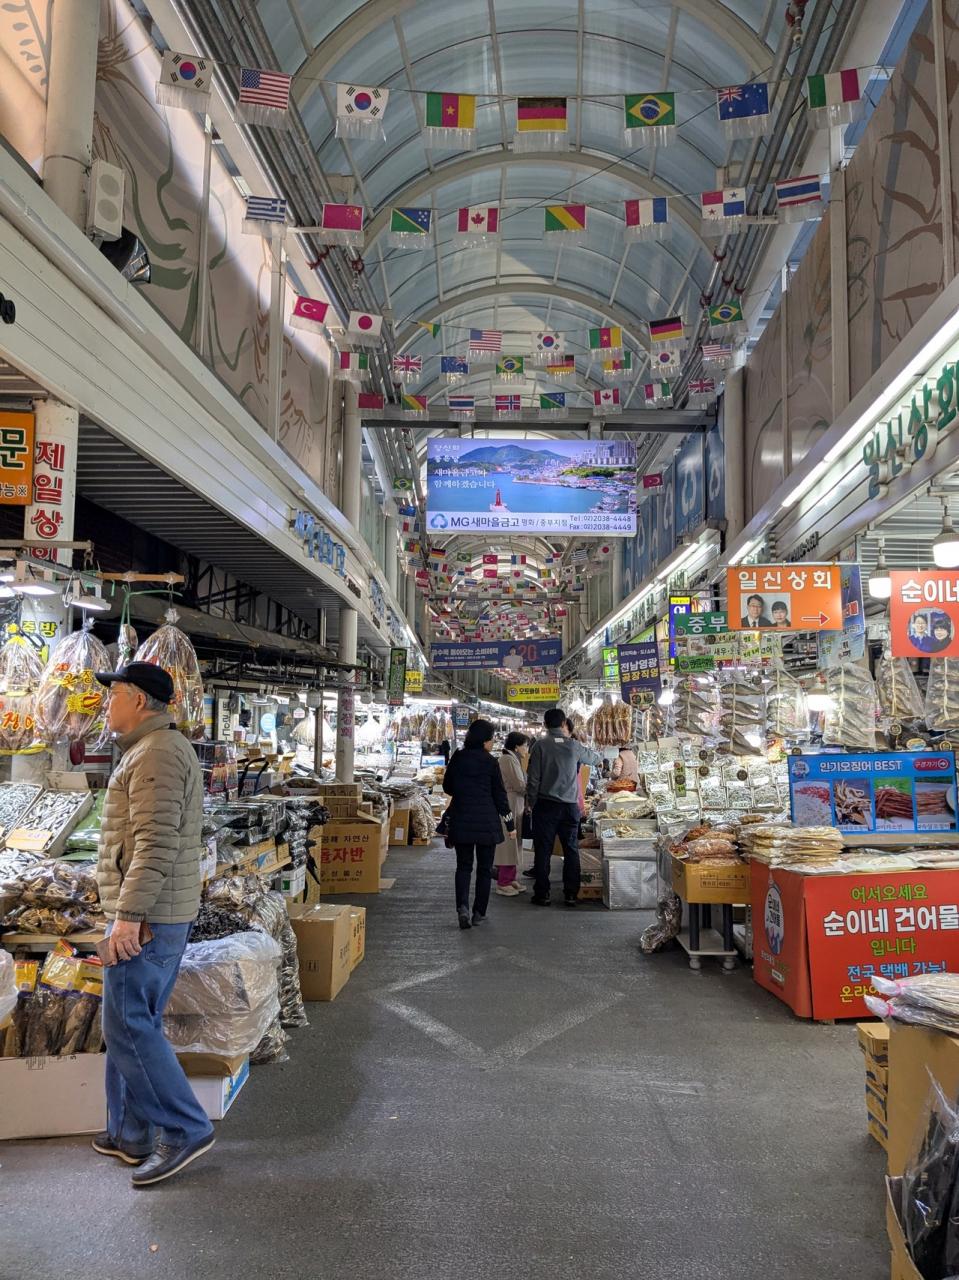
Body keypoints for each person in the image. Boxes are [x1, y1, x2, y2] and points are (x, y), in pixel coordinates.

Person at [93, 662, 214, 1187]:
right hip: (154, 912)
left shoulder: (157, 753)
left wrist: (127, 916)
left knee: (127, 1025)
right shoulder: (147, 749)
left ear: (139, 700)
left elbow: (155, 844)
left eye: (114, 694)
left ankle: (185, 1129)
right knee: (131, 1020)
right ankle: (130, 1132)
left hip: (149, 917)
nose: (107, 704)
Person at [526, 708, 602, 907]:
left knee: (543, 850)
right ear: (563, 724)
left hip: (545, 806)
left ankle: (542, 894)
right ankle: (571, 894)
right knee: (571, 849)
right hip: (569, 807)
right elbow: (595, 759)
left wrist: (531, 802)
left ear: (545, 725)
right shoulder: (574, 745)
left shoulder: (539, 746)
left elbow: (533, 779)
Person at [442, 719, 513, 929]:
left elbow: (447, 787)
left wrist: (463, 791)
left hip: (461, 819)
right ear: (484, 740)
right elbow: (500, 795)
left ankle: (462, 908)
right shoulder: (490, 762)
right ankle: (479, 912)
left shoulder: (458, 757)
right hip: (486, 823)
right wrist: (510, 824)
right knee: (484, 869)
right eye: (491, 739)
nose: (492, 743)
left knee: (463, 867)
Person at [493, 732, 529, 896]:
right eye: (525, 745)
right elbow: (519, 785)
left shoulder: (512, 758)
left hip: (516, 803)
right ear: (516, 746)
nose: (526, 749)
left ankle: (511, 877)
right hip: (510, 803)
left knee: (514, 843)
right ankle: (503, 882)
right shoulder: (507, 759)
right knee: (509, 843)